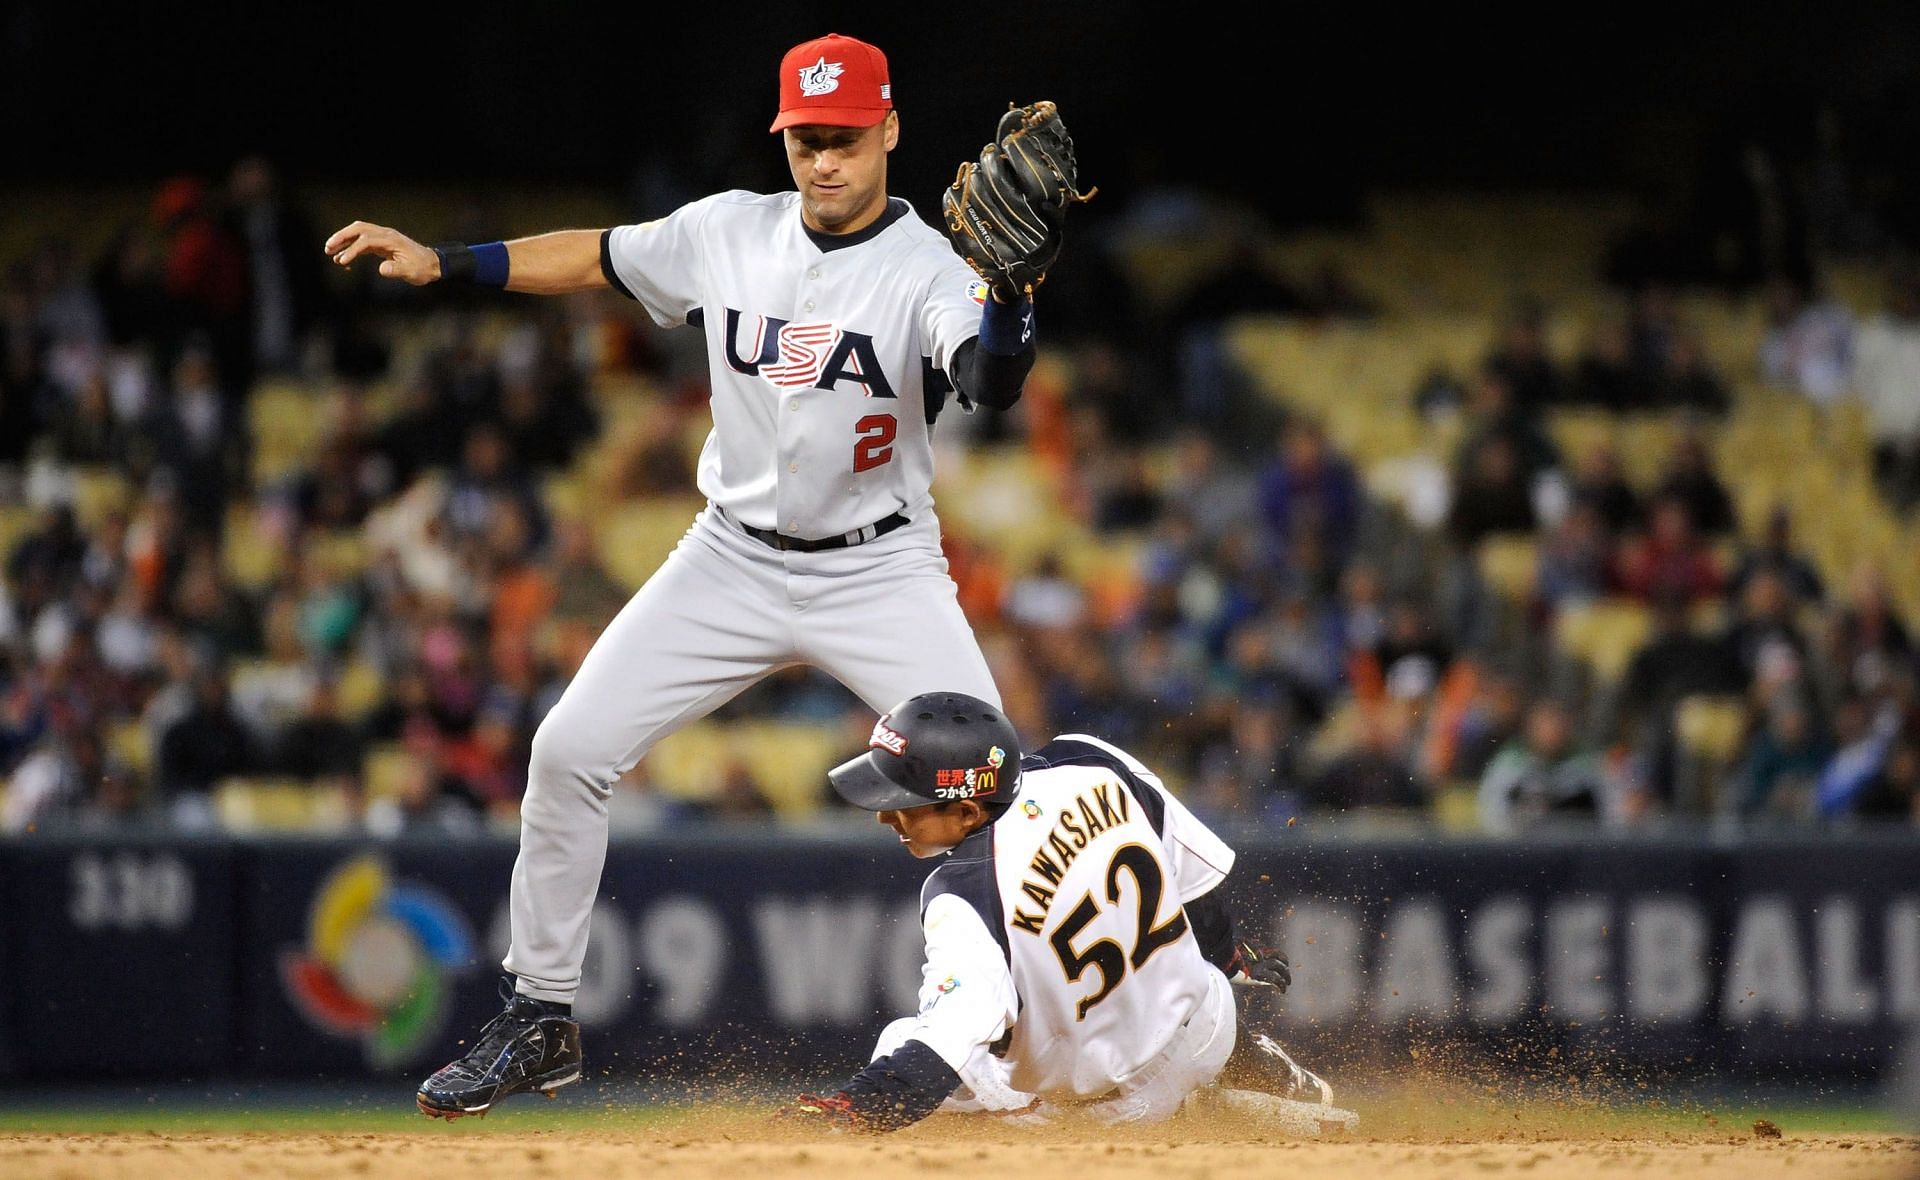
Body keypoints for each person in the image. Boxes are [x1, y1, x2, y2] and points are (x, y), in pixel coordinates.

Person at [328, 33, 1041, 1118]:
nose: (825, 161)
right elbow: (600, 256)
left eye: (846, 138)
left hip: (879, 566)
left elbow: (986, 380)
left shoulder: (934, 270)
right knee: (567, 749)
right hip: (730, 558)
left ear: (890, 130)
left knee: (1003, 791)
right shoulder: (726, 231)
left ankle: (1073, 1012)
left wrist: (1013, 305)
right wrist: (447, 261)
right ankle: (540, 1016)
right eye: (806, 139)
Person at [776, 692, 1355, 1133]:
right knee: (1198, 983)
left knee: (905, 1036)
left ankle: (1194, 1107)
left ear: (970, 810)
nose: (887, 817)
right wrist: (1231, 958)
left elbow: (935, 1055)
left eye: (906, 804)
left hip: (1113, 1111)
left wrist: (850, 1106)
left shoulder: (962, 892)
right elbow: (1197, 881)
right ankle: (1251, 1081)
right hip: (1205, 1029)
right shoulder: (1091, 759)